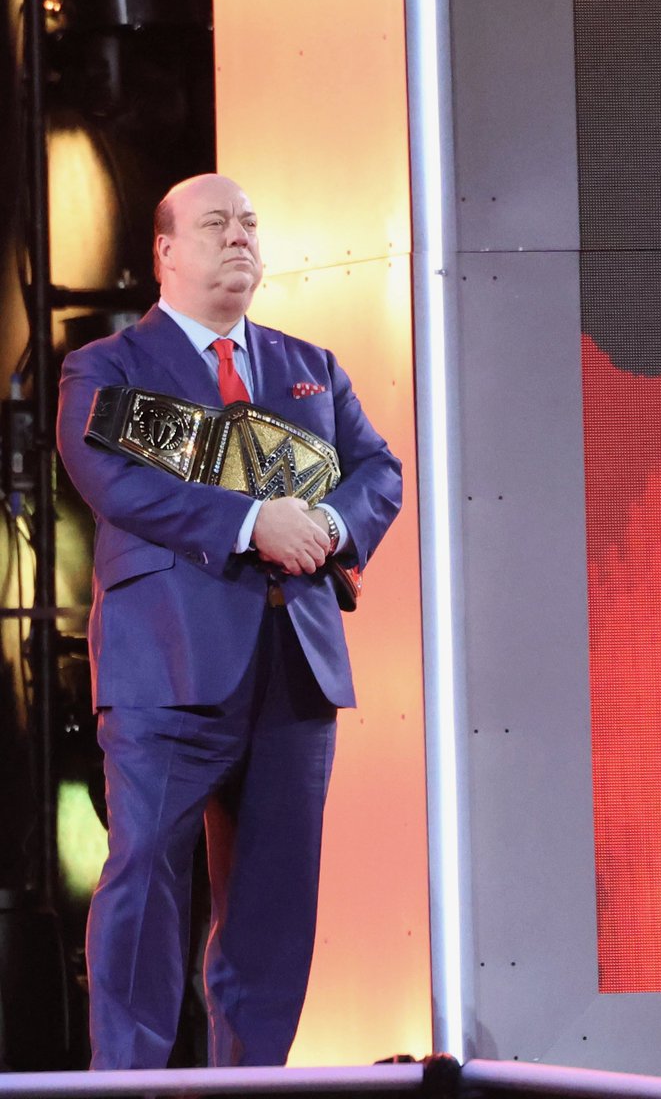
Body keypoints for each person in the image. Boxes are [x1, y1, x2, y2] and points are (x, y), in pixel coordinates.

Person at [56, 174, 404, 1069]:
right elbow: (116, 482)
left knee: (274, 906)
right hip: (166, 668)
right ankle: (122, 1085)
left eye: (250, 222)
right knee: (145, 885)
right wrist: (252, 522)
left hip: (295, 667)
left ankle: (252, 1084)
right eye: (215, 224)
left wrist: (329, 524)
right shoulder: (107, 367)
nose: (239, 236)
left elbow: (378, 470)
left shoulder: (310, 366)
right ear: (165, 252)